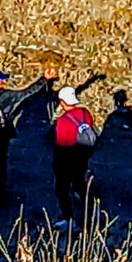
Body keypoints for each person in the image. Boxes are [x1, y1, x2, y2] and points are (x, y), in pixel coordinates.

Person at [0, 67, 52, 208]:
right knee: (0, 165)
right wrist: (44, 79)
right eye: (2, 79)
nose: (4, 81)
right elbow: (27, 92)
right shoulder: (7, 96)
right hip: (0, 136)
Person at [52, 84, 101, 227]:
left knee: (62, 189)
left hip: (67, 158)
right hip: (83, 155)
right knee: (80, 184)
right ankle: (92, 212)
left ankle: (69, 220)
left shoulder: (63, 120)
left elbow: (61, 144)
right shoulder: (85, 113)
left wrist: (56, 164)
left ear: (62, 102)